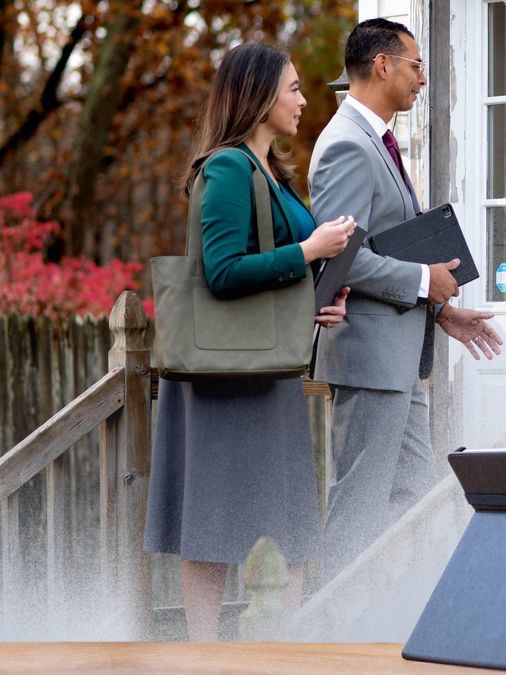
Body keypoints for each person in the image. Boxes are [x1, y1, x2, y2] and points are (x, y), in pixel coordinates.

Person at [144, 42, 357, 640]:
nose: (303, 99)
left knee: (288, 518)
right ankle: (205, 652)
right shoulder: (229, 168)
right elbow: (222, 271)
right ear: (260, 96)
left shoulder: (274, 173)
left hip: (267, 370)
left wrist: (317, 300)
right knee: (212, 519)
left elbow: (272, 269)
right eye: (292, 88)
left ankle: (284, 646)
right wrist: (310, 252)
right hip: (223, 376)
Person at [309, 19, 503, 580]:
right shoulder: (347, 143)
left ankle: (399, 628)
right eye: (417, 65)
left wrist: (441, 311)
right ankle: (327, 648)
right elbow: (338, 258)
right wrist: (423, 282)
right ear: (383, 65)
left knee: (418, 504)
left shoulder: (378, 139)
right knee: (358, 514)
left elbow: (383, 243)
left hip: (398, 361)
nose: (423, 78)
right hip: (370, 361)